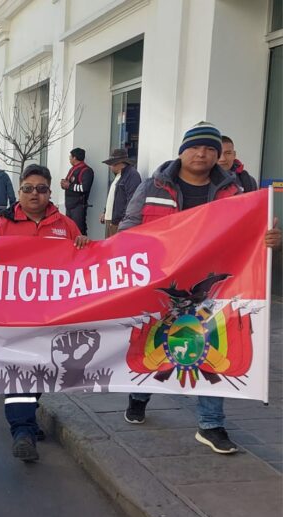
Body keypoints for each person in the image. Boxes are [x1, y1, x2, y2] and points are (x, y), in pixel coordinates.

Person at [120, 121, 281, 454]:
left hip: (213, 287)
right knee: (154, 342)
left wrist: (269, 241)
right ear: (182, 150)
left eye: (210, 149)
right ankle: (138, 395)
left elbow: (251, 234)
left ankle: (211, 425)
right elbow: (128, 229)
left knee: (209, 343)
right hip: (161, 284)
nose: (202, 154)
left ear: (218, 155)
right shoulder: (153, 185)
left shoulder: (234, 191)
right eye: (195, 147)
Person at [0, 164, 89, 461]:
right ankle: (22, 432)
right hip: (15, 317)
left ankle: (28, 419)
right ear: (19, 191)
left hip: (52, 317)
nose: (35, 194)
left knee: (43, 371)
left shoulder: (66, 226)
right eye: (28, 188)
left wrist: (83, 244)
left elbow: (83, 263)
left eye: (41, 189)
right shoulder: (1, 225)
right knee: (20, 373)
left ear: (50, 192)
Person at [99, 149, 141, 237]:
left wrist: (123, 220)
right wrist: (105, 212)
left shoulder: (132, 175)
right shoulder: (119, 176)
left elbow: (132, 201)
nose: (110, 167)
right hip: (112, 220)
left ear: (118, 164)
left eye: (111, 164)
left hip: (119, 222)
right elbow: (114, 197)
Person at [60, 147, 94, 235]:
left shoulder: (86, 170)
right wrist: (64, 184)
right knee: (69, 230)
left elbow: (84, 188)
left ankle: (82, 249)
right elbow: (70, 184)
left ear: (75, 158)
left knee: (79, 231)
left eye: (70, 157)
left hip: (78, 206)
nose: (69, 159)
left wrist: (69, 186)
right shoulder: (73, 169)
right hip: (69, 205)